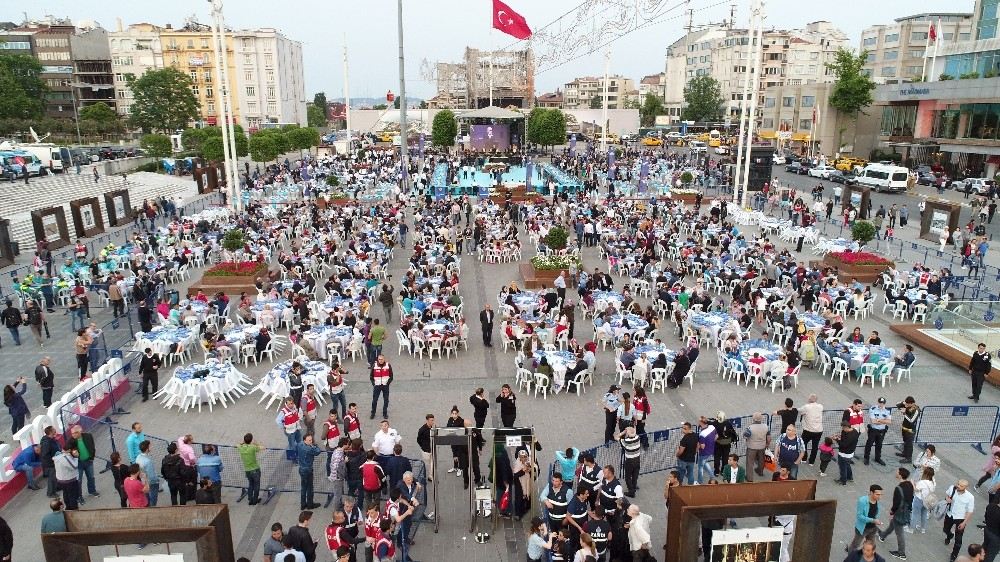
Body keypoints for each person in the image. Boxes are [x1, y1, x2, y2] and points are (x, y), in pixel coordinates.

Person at [877, 467, 913, 560]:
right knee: (892, 524)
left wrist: (892, 511)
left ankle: (901, 553)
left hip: (899, 513)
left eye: (897, 472)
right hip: (906, 510)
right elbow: (911, 498)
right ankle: (882, 535)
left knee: (899, 532)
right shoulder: (910, 484)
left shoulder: (898, 488)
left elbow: (896, 503)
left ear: (900, 475)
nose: (896, 473)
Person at [945, 480, 976, 562]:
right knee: (945, 529)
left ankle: (954, 555)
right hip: (949, 514)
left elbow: (970, 511)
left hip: (960, 518)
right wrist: (947, 499)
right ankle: (949, 535)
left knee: (958, 540)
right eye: (958, 484)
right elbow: (947, 495)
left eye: (961, 486)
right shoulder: (952, 488)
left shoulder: (970, 497)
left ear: (965, 487)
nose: (958, 486)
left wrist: (964, 523)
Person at [846, 485, 883, 553]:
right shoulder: (862, 501)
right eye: (877, 494)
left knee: (871, 545)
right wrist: (873, 520)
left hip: (873, 528)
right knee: (855, 545)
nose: (879, 496)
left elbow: (874, 514)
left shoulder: (877, 501)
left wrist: (875, 521)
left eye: (880, 494)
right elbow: (859, 516)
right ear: (871, 493)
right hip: (862, 529)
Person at [67, 424, 99, 499]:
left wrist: (92, 457)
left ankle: (92, 491)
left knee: (91, 477)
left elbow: (92, 446)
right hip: (78, 463)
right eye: (72, 433)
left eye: (75, 433)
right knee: (79, 480)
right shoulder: (70, 440)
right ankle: (79, 496)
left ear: (80, 432)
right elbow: (65, 450)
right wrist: (72, 452)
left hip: (88, 460)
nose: (73, 435)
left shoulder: (88, 436)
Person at [297, 435, 323, 510]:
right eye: (309, 440)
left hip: (301, 468)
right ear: (305, 440)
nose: (311, 441)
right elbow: (318, 451)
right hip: (308, 470)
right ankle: (310, 505)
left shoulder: (299, 444)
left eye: (311, 440)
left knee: (303, 488)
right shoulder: (308, 448)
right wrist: (314, 446)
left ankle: (303, 504)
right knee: (310, 488)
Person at [864, 397, 892, 466]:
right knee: (869, 444)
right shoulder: (873, 408)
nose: (881, 404)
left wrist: (879, 420)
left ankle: (878, 458)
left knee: (879, 445)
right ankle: (866, 458)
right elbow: (873, 421)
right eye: (880, 403)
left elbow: (889, 421)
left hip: (882, 431)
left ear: (884, 403)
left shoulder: (887, 410)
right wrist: (884, 421)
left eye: (882, 403)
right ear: (877, 402)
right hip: (873, 430)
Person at [238, 433, 264, 505]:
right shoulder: (252, 447)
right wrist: (256, 443)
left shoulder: (241, 447)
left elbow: (238, 444)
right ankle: (255, 500)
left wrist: (243, 442)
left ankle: (250, 498)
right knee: (256, 485)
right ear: (251, 440)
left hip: (247, 471)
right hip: (255, 470)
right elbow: (263, 448)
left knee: (250, 484)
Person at [53, 443, 81, 510]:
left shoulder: (58, 456)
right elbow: (74, 466)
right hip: (69, 480)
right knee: (73, 496)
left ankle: (68, 508)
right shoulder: (66, 457)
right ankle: (74, 509)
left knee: (66, 494)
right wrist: (76, 457)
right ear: (69, 450)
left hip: (61, 480)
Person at [744, 412, 770, 482]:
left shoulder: (750, 428)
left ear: (753, 419)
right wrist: (767, 444)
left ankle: (749, 478)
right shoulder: (766, 426)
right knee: (761, 460)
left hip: (752, 447)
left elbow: (745, 436)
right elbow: (768, 437)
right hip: (762, 446)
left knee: (750, 462)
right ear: (761, 419)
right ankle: (760, 471)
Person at [799, 394, 824, 466]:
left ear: (809, 399)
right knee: (815, 446)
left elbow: (800, 411)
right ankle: (811, 462)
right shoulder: (820, 406)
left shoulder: (807, 407)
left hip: (808, 430)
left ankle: (804, 458)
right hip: (819, 430)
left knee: (803, 444)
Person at [835, 421, 861, 486]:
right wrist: (840, 436)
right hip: (850, 454)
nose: (842, 429)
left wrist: (836, 440)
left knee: (843, 468)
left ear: (846, 427)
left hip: (844, 454)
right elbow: (844, 437)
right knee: (847, 465)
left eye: (843, 428)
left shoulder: (850, 436)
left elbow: (843, 445)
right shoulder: (854, 431)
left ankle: (843, 481)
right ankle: (850, 477)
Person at [369, 355, 393, 420]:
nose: (380, 360)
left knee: (386, 400)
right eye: (379, 359)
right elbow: (371, 376)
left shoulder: (388, 365)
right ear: (377, 360)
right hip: (377, 386)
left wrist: (388, 383)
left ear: (384, 359)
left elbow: (391, 376)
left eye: (382, 359)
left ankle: (385, 413)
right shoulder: (374, 365)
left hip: (385, 386)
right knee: (374, 400)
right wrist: (374, 384)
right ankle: (373, 413)